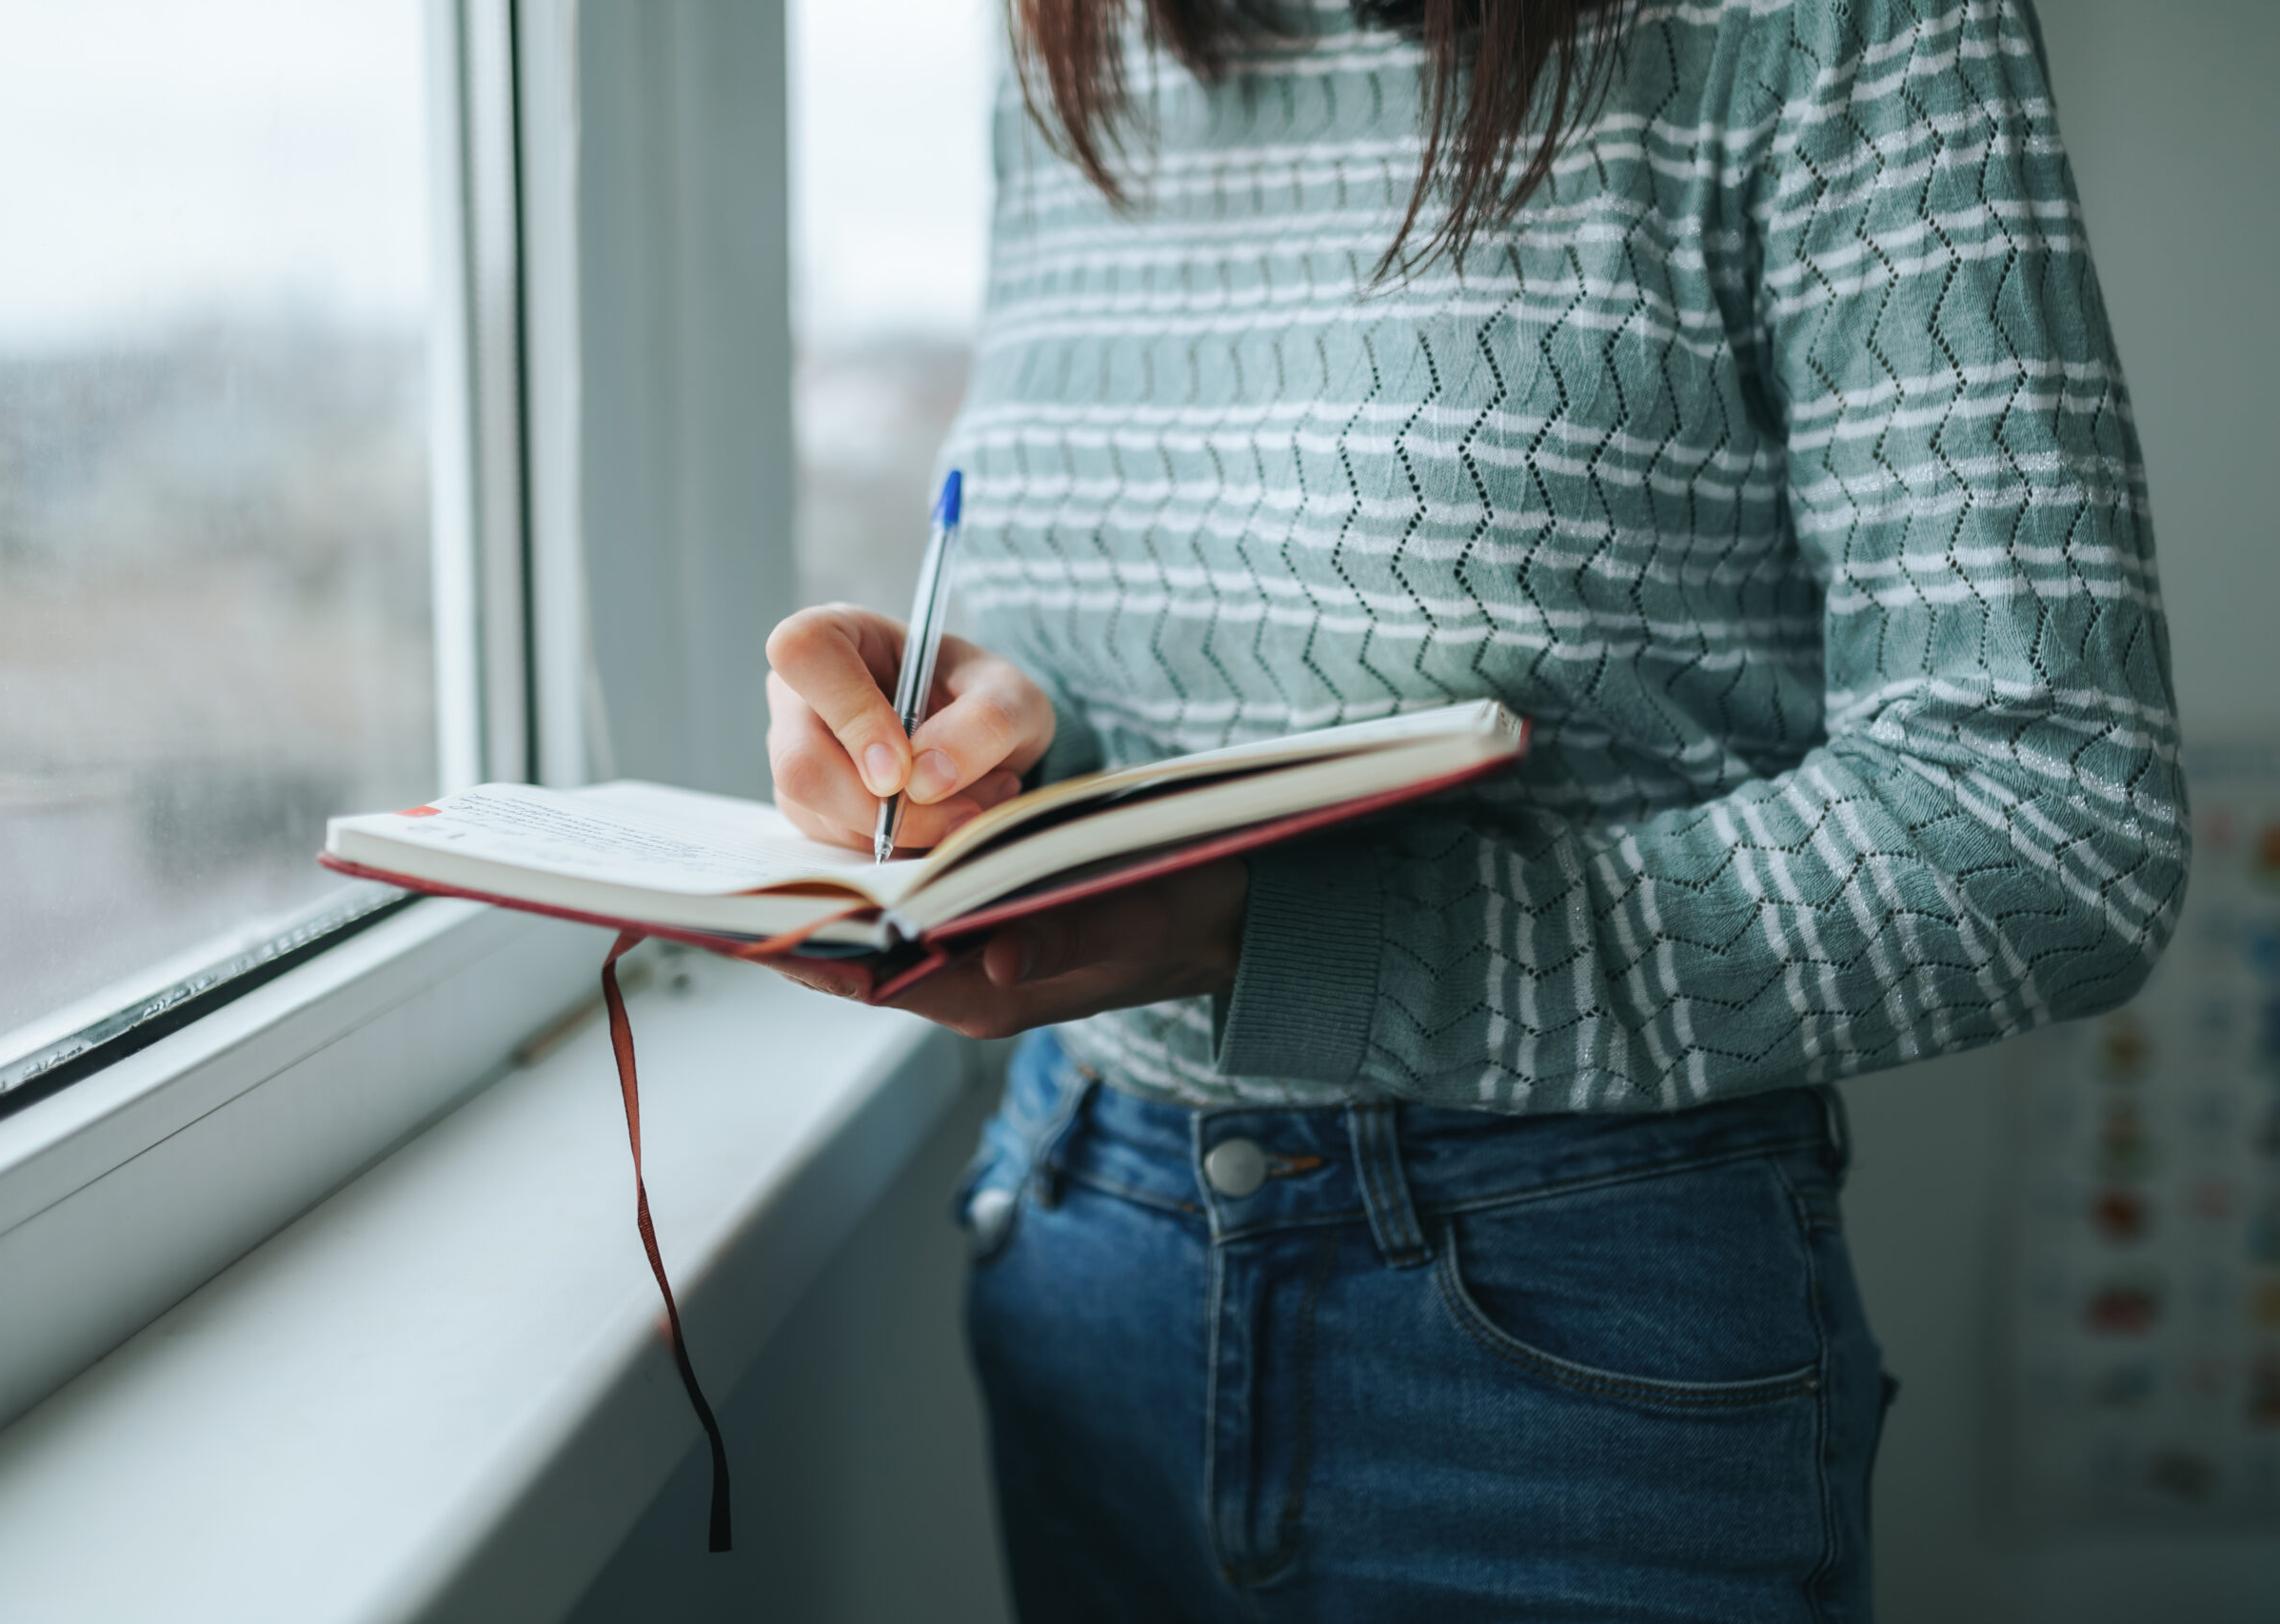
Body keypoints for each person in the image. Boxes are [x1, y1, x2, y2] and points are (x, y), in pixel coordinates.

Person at [761, 0, 2185, 1617]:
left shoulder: (1831, 26)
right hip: (1089, 1246)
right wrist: (987, 749)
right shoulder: (1069, 46)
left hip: (1568, 1323)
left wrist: (1269, 936)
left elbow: (2055, 818)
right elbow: (1199, 673)